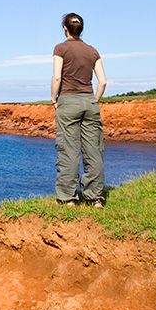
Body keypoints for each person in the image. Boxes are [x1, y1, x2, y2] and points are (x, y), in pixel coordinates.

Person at [51, 12, 107, 208]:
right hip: (89, 102)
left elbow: (57, 77)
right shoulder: (92, 51)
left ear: (65, 28)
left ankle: (67, 198)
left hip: (68, 101)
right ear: (81, 29)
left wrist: (54, 99)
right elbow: (103, 81)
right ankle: (95, 198)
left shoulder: (61, 48)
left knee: (69, 150)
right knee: (94, 151)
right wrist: (94, 100)